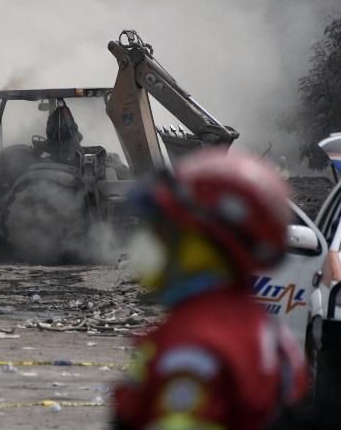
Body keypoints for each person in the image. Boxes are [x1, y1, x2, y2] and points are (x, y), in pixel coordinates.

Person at [112, 149, 308, 430]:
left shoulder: (193, 346)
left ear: (202, 248)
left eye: (164, 233)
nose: (149, 245)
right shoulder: (272, 334)